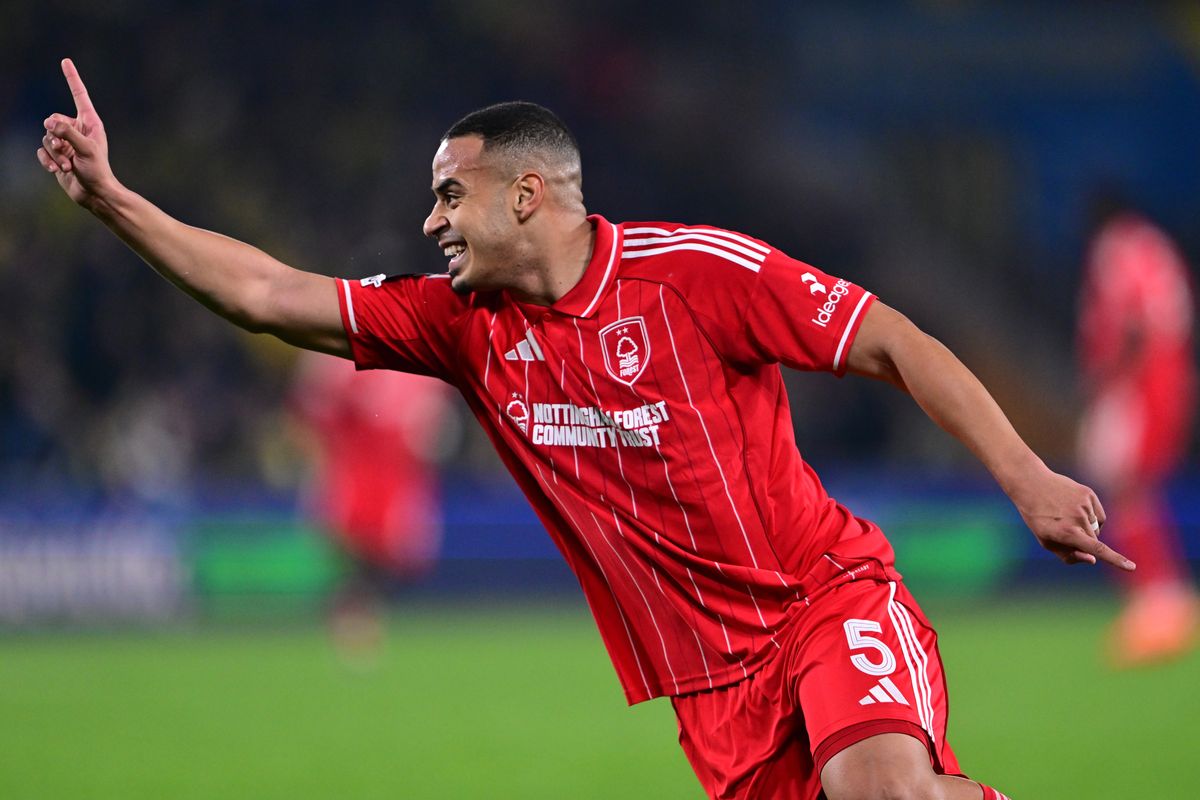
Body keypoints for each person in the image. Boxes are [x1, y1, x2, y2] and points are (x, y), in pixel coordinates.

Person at [39, 58, 1131, 800]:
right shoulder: (459, 327)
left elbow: (890, 336)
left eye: (448, 196)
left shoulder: (695, 275)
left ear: (525, 196)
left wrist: (1027, 474)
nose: (431, 222)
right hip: (712, 688)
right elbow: (273, 294)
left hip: (823, 596)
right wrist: (117, 201)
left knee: (877, 784)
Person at [1077, 200, 1197, 666]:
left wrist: (1105, 379)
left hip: (1142, 380)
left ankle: (1158, 608)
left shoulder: (1117, 250)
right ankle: (1162, 604)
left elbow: (1130, 325)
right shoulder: (1155, 246)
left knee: (1125, 488)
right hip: (1170, 373)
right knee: (1135, 490)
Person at [289, 350, 451, 656]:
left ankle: (356, 616)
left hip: (399, 476)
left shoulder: (421, 360)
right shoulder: (340, 360)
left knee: (396, 559)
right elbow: (313, 413)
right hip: (356, 473)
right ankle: (352, 619)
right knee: (359, 552)